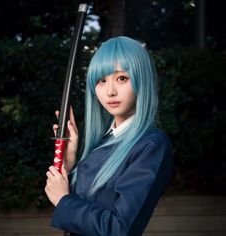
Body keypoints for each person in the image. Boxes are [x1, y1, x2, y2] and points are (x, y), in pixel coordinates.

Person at [45, 36, 173, 236]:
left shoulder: (151, 144)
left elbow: (120, 228)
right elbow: (91, 201)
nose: (110, 91)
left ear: (142, 80)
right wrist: (69, 164)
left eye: (121, 78)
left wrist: (64, 201)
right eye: (101, 80)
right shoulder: (105, 141)